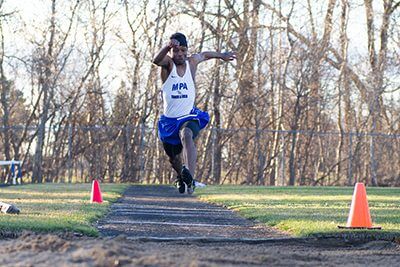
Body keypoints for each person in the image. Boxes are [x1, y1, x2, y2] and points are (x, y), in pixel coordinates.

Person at [152, 32, 236, 194]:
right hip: (169, 121)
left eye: (183, 50)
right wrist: (168, 46)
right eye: (176, 51)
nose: (180, 54)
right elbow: (156, 60)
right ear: (171, 52)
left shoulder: (192, 62)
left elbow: (205, 55)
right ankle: (181, 177)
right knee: (173, 158)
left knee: (187, 134)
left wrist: (222, 56)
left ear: (187, 50)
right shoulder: (168, 65)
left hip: (188, 116)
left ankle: (190, 177)